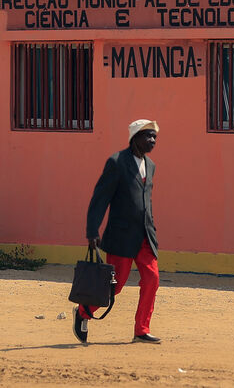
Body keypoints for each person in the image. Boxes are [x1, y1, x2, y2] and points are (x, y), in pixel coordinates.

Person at [73, 119, 161, 344]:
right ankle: (83, 312)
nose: (152, 141)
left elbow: (145, 201)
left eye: (154, 137)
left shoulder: (150, 165)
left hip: (145, 236)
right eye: (147, 136)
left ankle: (141, 329)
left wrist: (152, 229)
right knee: (116, 286)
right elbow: (100, 199)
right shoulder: (117, 162)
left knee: (152, 279)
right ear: (134, 138)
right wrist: (92, 230)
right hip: (121, 236)